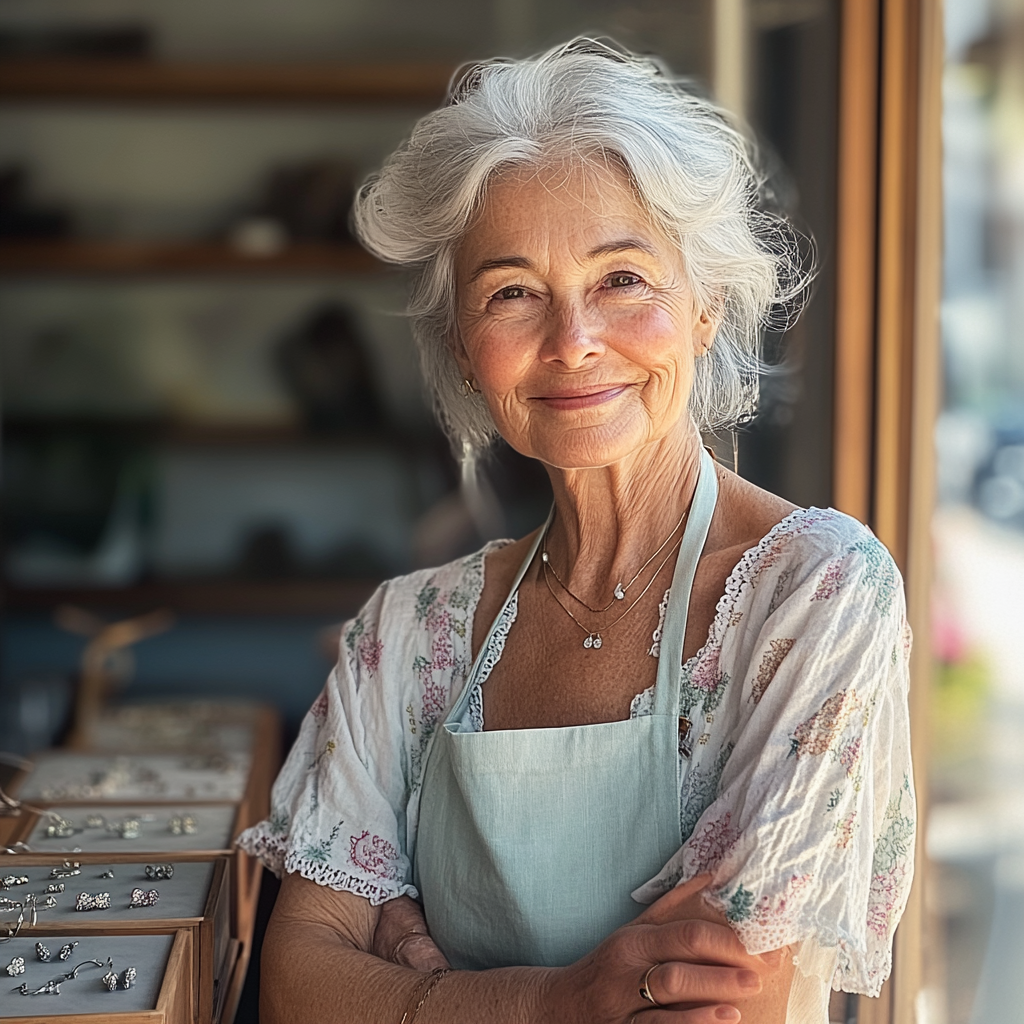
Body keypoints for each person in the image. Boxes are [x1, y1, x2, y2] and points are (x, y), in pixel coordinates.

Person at [239, 39, 915, 1024]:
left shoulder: (814, 589)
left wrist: (416, 991)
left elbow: (722, 1004)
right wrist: (557, 999)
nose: (572, 341)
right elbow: (298, 985)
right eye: (512, 292)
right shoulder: (407, 631)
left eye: (622, 279)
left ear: (703, 306)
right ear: (465, 352)